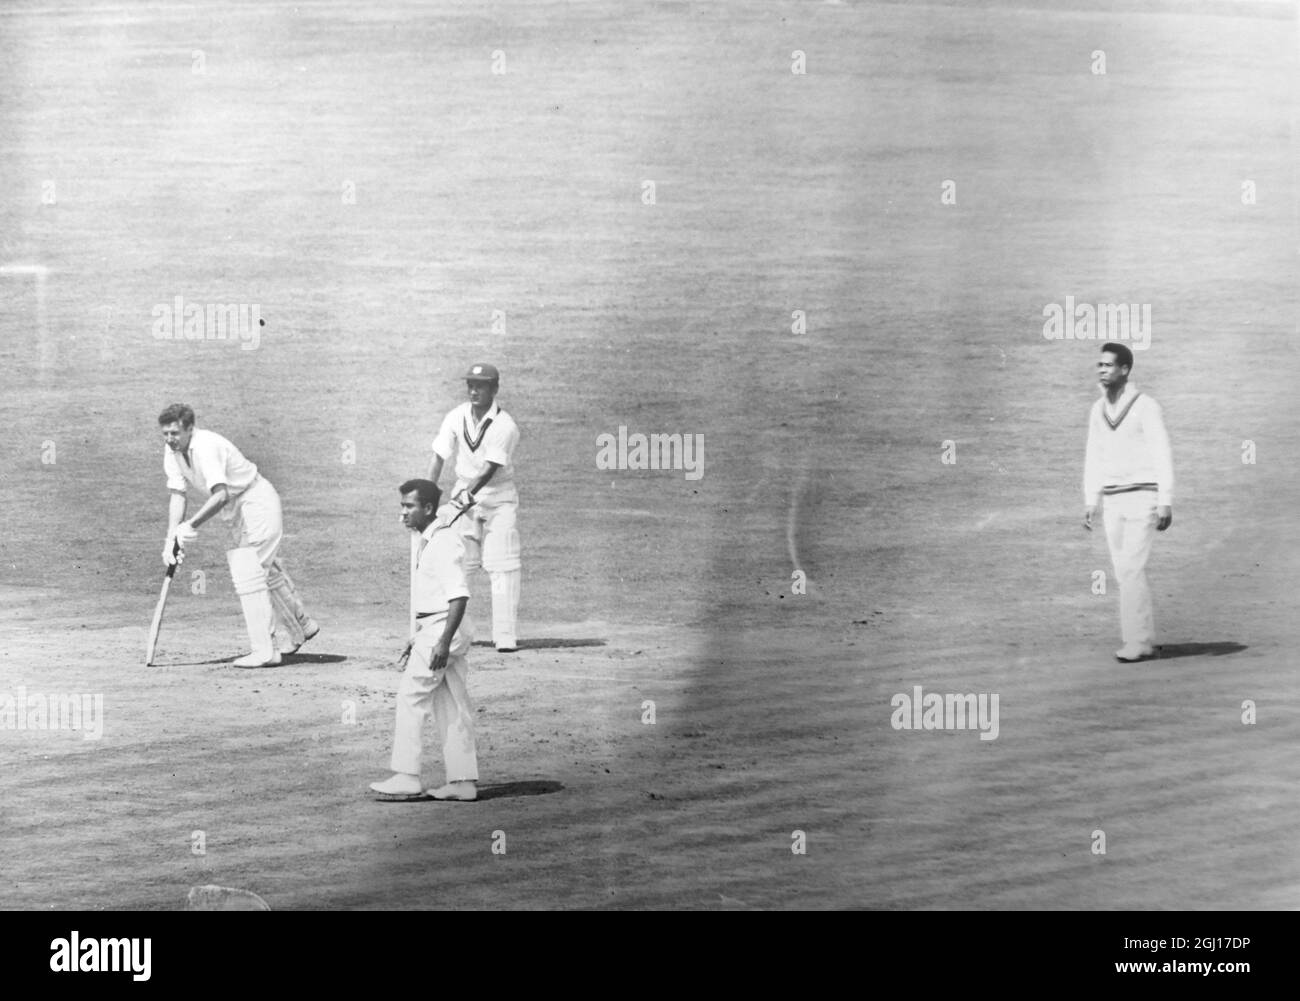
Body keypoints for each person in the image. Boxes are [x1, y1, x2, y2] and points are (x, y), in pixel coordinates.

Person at [158, 403, 317, 667]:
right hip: (236, 508)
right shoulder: (171, 451)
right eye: (165, 434)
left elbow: (220, 495)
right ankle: (301, 625)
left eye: (175, 433)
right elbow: (177, 493)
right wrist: (171, 538)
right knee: (265, 571)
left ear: (189, 429)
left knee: (250, 572)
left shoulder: (206, 447)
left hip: (256, 501)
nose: (170, 439)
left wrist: (191, 525)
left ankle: (265, 651)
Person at [371, 479, 478, 802]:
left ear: (428, 509)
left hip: (444, 629)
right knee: (451, 701)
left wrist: (441, 642)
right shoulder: (429, 538)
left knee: (411, 697)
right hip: (436, 628)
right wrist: (417, 636)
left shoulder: (443, 543)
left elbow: (459, 596)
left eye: (409, 507)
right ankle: (463, 782)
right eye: (402, 506)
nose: (402, 514)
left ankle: (407, 775)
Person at [1082, 344, 1174, 662]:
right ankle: (1141, 639)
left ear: (1125, 370)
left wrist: (1165, 500)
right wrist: (1090, 498)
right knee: (1124, 571)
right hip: (1113, 501)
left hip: (1144, 497)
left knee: (1132, 568)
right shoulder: (1097, 410)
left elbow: (1162, 452)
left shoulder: (1146, 406)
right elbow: (1094, 455)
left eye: (1109, 365)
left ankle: (1137, 642)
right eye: (1100, 365)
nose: (1102, 370)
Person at [426, 363, 522, 652]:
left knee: (501, 566)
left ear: (494, 389)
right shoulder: (456, 416)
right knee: (458, 564)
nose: (474, 390)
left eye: (481, 385)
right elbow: (439, 456)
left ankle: (504, 635)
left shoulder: (505, 426)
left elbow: (488, 471)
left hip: (498, 498)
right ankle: (455, 633)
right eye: (470, 384)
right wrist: (427, 497)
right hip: (464, 492)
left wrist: (458, 502)